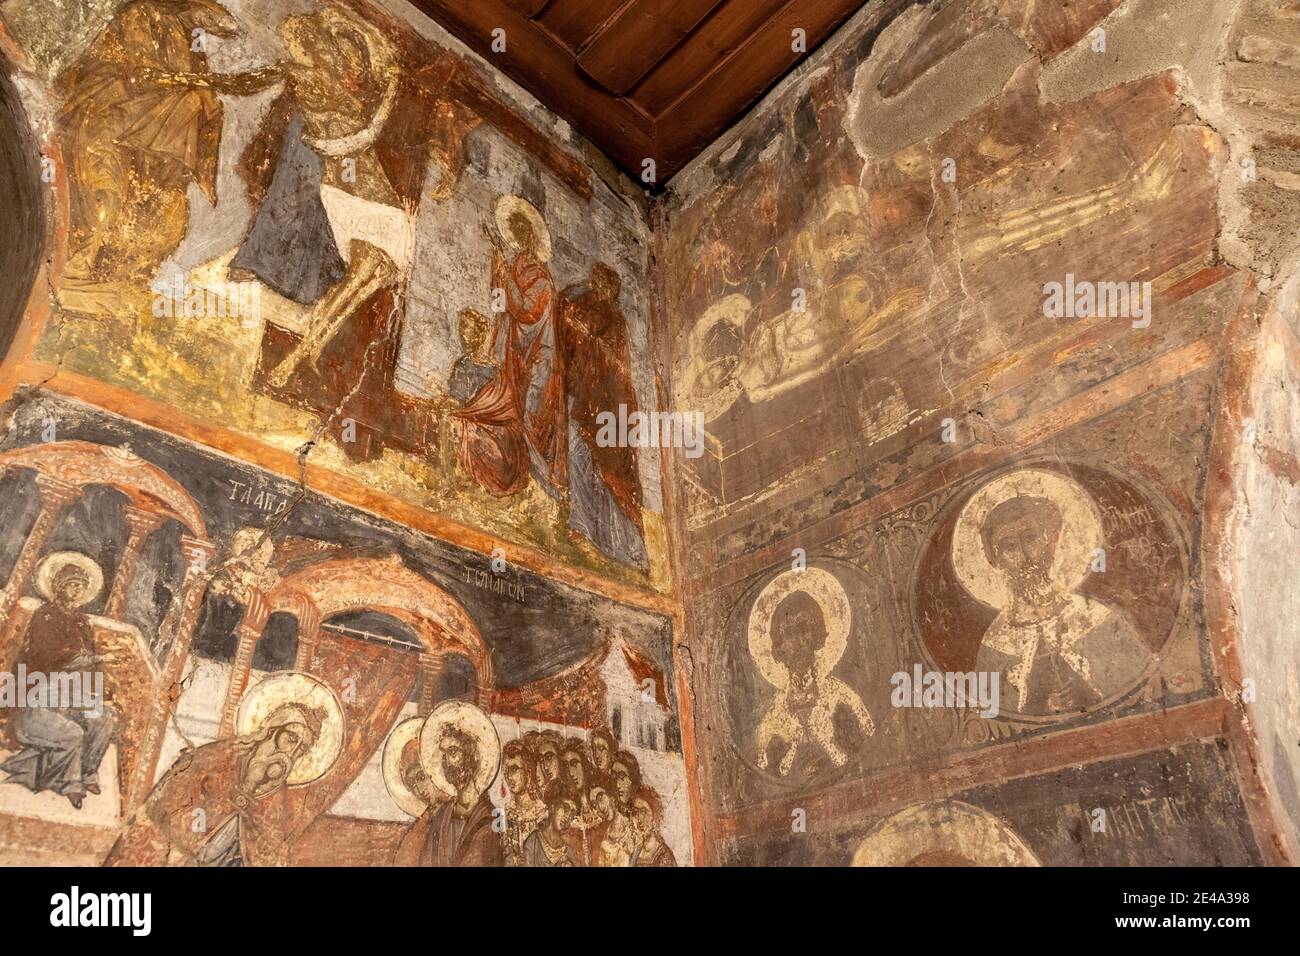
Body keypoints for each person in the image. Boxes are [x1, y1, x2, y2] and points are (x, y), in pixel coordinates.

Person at [55, 0, 277, 313]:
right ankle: (78, 269)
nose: (211, 26)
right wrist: (209, 83)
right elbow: (139, 75)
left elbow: (194, 91)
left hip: (146, 140)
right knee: (108, 193)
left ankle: (121, 277)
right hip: (105, 122)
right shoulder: (143, 14)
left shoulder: (188, 42)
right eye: (209, 16)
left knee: (163, 210)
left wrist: (208, 91)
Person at [973, 495, 1149, 713]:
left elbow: (1142, 692)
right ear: (994, 560)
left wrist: (1084, 695)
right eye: (1009, 546)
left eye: (1030, 538)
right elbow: (994, 715)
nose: (1024, 555)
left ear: (1052, 540)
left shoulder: (1094, 616)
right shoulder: (995, 642)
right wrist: (1044, 706)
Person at [104, 704, 326, 866]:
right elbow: (172, 799)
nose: (291, 753)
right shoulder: (220, 755)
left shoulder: (278, 793)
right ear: (273, 730)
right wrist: (246, 786)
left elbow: (270, 846)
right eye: (291, 739)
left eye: (302, 750)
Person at [453, 196, 566, 498]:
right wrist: (497, 265)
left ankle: (545, 484)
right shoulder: (511, 267)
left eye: (521, 231)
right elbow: (499, 304)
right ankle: (512, 472)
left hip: (537, 357)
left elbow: (526, 311)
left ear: (531, 236)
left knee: (531, 415)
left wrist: (505, 273)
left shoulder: (542, 278)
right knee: (508, 412)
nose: (516, 238)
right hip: (511, 352)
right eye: (512, 232)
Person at [1, 558, 119, 809]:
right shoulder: (45, 616)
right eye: (71, 584)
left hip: (69, 695)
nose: (77, 590)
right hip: (37, 696)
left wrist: (98, 688)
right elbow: (51, 656)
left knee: (105, 718)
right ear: (58, 586)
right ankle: (70, 784)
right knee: (72, 732)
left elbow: (90, 664)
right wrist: (94, 658)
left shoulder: (82, 623)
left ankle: (87, 772)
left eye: (81, 586)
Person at [560, 262, 646, 567]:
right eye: (597, 281)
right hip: (583, 401)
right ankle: (582, 523)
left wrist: (587, 334)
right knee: (578, 459)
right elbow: (568, 344)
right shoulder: (581, 304)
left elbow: (614, 364)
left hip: (607, 407)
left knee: (607, 472)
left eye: (606, 285)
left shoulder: (615, 320)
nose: (600, 288)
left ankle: (619, 542)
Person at [754, 588, 874, 776]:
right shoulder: (773, 719)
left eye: (804, 630)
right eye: (789, 634)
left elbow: (868, 753)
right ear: (779, 645)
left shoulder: (843, 698)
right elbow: (767, 773)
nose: (798, 642)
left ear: (816, 635)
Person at [402, 724, 502, 866]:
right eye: (444, 755)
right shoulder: (442, 814)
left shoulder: (495, 816)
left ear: (471, 755)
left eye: (453, 752)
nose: (447, 762)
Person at [521, 784, 581, 867]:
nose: (568, 816)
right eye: (565, 808)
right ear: (553, 807)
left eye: (572, 813)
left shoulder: (568, 851)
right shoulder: (533, 842)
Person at [629, 788, 676, 867]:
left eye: (644, 811)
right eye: (635, 812)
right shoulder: (633, 851)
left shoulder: (664, 857)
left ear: (654, 816)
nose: (639, 818)